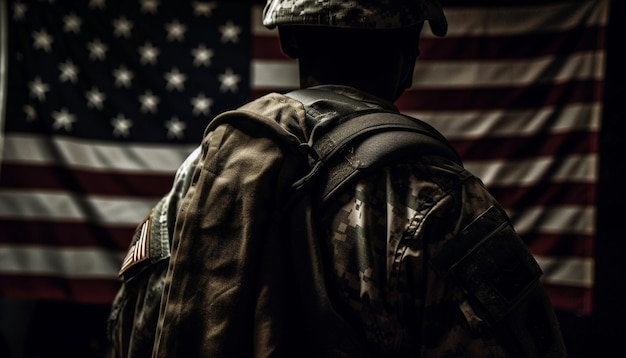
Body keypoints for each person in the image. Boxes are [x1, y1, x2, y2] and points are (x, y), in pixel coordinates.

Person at [107, 0, 567, 357]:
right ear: (410, 47)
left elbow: (133, 331)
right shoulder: (440, 199)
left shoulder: (200, 174)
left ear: (288, 36)